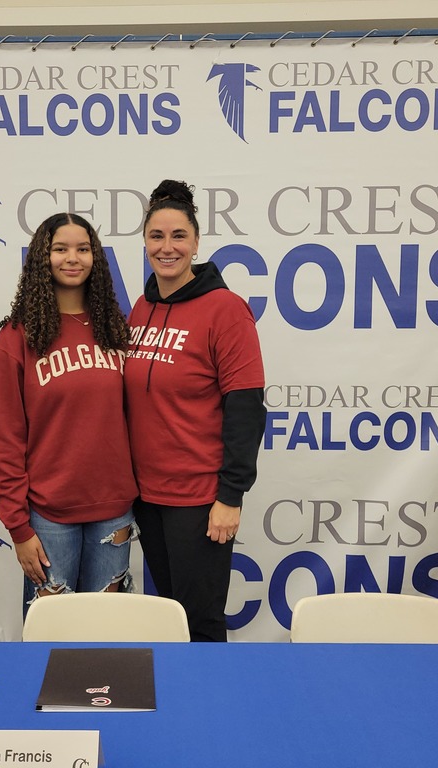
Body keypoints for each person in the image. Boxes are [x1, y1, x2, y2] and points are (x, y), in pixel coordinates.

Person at [124, 179, 266, 642]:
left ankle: (213, 712)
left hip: (199, 499)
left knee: (201, 623)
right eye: (157, 237)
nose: (167, 248)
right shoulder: (141, 309)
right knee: (169, 620)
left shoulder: (226, 310)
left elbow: (245, 408)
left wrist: (230, 497)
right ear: (144, 242)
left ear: (197, 242)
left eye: (178, 236)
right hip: (147, 498)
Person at [0, 212, 138, 609]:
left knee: (108, 636)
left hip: (113, 510)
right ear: (42, 257)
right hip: (48, 515)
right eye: (60, 249)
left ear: (95, 258)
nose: (73, 258)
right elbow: (3, 439)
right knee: (49, 639)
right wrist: (18, 528)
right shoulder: (17, 338)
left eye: (83, 249)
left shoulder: (114, 329)